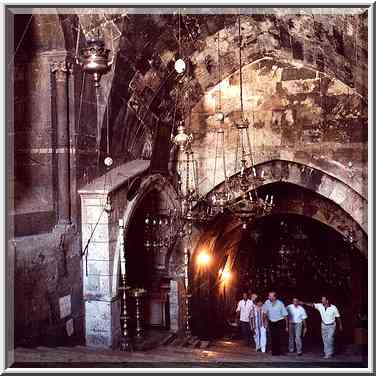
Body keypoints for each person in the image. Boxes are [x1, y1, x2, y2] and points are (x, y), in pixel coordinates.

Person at [263, 291, 288, 355]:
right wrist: (265, 322)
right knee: (273, 336)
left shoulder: (280, 303)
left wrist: (287, 326)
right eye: (269, 296)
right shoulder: (267, 302)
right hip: (271, 321)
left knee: (280, 336)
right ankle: (275, 352)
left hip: (280, 321)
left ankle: (281, 351)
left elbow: (285, 315)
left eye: (271, 296)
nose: (269, 297)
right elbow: (265, 313)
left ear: (275, 297)